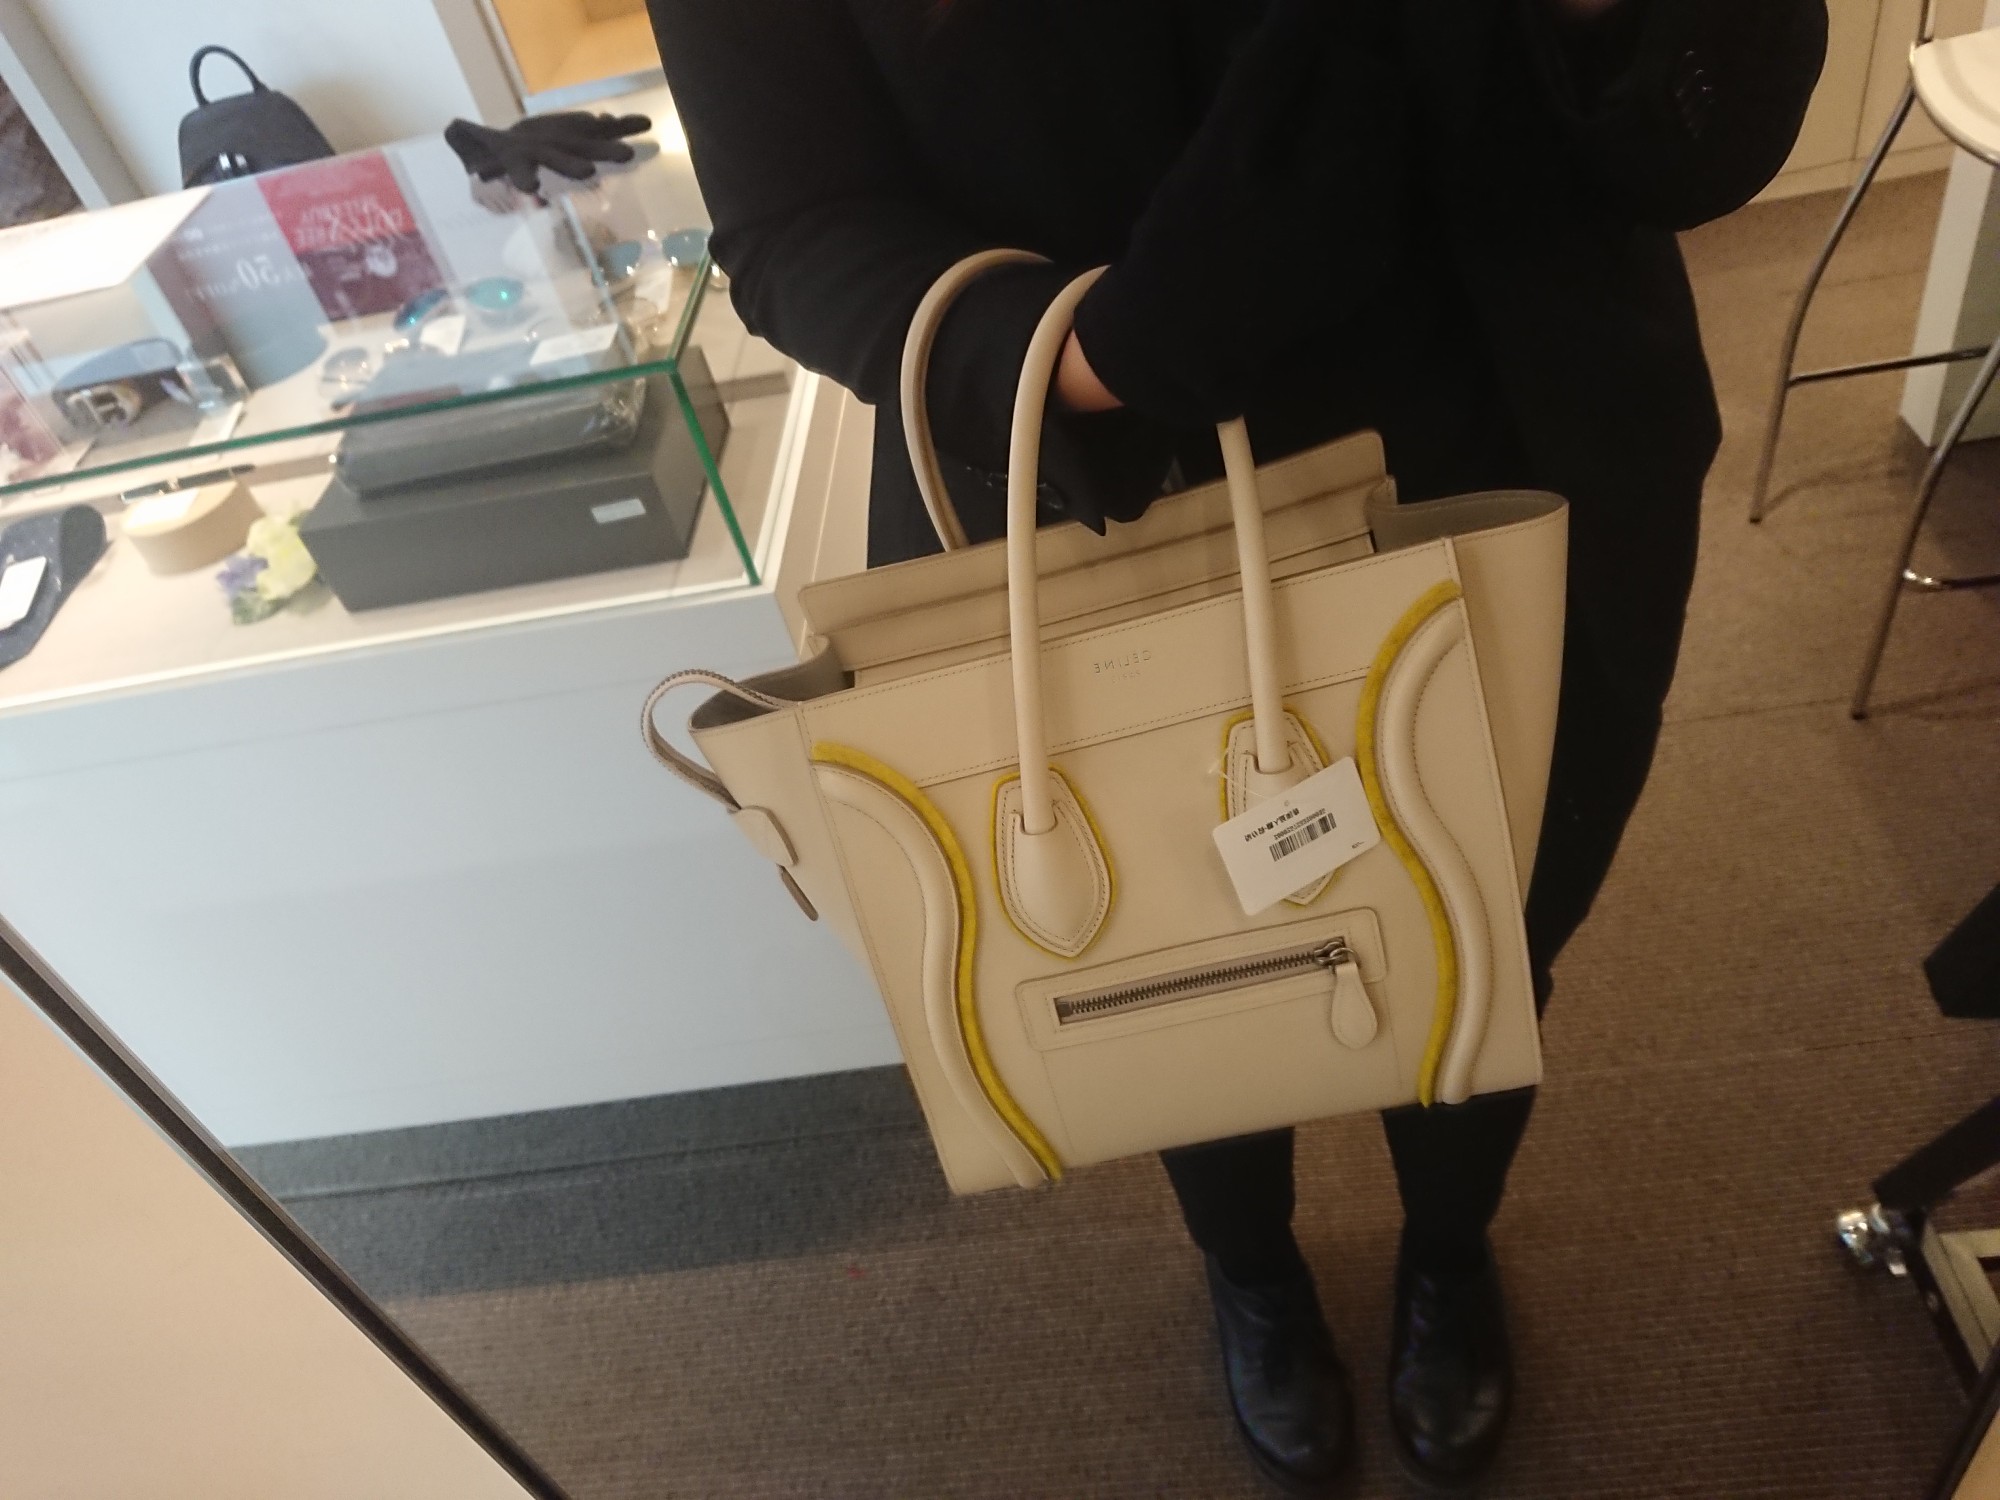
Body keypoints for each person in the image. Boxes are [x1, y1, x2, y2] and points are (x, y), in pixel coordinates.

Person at [646, 0, 1825, 1490]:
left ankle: (1449, 1250)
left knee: (1499, 925)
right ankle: (1252, 1271)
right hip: (1103, 498)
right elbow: (793, 222)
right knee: (1159, 950)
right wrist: (1095, 356)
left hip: (1515, 428)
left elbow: (1704, 120)